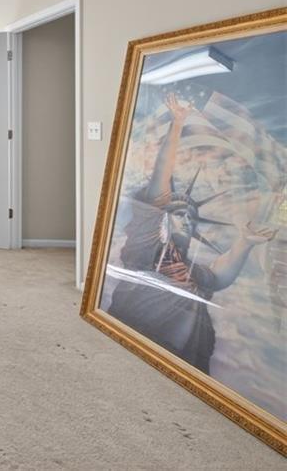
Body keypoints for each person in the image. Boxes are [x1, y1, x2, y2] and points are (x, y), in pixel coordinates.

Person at [107, 93, 278, 374]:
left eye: (190, 217)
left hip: (185, 353)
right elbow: (161, 177)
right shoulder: (146, 244)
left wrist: (244, 243)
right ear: (161, 218)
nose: (187, 220)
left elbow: (219, 276)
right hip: (138, 337)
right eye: (178, 214)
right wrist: (178, 124)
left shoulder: (190, 272)